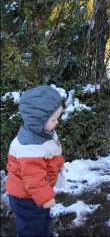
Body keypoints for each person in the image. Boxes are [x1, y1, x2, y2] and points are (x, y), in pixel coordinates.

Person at [5, 85, 65, 237]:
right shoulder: (30, 148)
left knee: (43, 219)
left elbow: (51, 154)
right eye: (53, 119)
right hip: (26, 197)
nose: (56, 122)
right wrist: (45, 197)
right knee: (31, 227)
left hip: (36, 193)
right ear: (38, 121)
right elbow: (33, 179)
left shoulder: (43, 133)